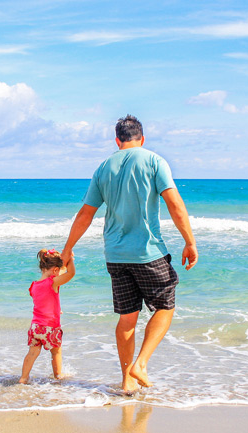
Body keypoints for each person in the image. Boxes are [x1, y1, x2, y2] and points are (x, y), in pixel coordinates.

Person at [60, 114, 197, 393]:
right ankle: (140, 364)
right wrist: (190, 242)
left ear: (117, 140)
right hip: (147, 252)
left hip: (115, 254)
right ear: (142, 138)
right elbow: (174, 204)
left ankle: (126, 381)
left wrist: (68, 247)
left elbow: (86, 214)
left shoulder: (103, 168)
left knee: (127, 317)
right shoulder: (154, 161)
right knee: (165, 306)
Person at [19, 249, 76, 384]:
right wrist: (70, 259)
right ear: (55, 270)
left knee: (32, 353)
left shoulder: (33, 286)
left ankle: (23, 378)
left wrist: (57, 309)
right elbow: (71, 273)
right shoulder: (52, 282)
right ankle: (58, 376)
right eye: (58, 271)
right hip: (50, 328)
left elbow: (43, 301)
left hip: (35, 327)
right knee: (56, 352)